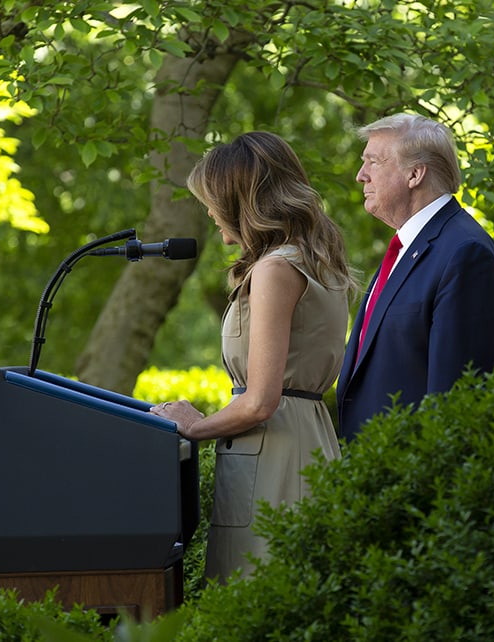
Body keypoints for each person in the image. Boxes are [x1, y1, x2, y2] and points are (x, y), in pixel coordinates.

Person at [150, 131, 355, 582]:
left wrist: (192, 426)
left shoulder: (275, 269)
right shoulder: (313, 259)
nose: (207, 211)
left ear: (242, 201)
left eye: (213, 201)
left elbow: (260, 401)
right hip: (303, 441)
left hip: (275, 456)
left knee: (257, 590)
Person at [336, 113, 494, 442]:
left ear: (415, 174)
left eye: (373, 162)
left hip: (416, 478)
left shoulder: (465, 254)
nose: (361, 176)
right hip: (373, 471)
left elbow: (455, 403)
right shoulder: (408, 247)